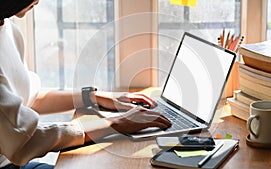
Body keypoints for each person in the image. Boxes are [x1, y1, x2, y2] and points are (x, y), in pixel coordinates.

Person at [0, 0, 171, 169]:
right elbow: (25, 140)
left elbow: (29, 100)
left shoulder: (8, 29)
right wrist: (115, 124)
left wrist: (91, 97)